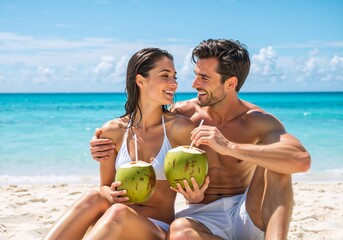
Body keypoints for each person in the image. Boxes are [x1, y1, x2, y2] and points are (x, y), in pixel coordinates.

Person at [90, 39, 311, 240]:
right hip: (201, 216)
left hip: (248, 211)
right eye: (196, 74)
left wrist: (229, 147)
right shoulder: (182, 115)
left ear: (231, 83)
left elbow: (300, 159)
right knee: (179, 233)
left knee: (280, 163)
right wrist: (101, 143)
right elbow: (139, 124)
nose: (195, 84)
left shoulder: (257, 121)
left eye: (204, 78)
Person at [43, 48, 205, 240]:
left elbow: (200, 185)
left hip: (155, 229)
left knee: (118, 212)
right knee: (93, 197)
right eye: (165, 75)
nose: (174, 84)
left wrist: (195, 197)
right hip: (112, 224)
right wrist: (110, 195)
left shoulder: (179, 128)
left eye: (174, 77)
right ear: (140, 80)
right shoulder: (113, 131)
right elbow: (104, 186)